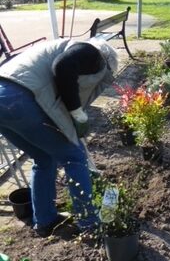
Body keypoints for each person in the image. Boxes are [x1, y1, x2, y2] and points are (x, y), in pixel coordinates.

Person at [0, 37, 119, 236]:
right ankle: (89, 223)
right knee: (75, 157)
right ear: (106, 61)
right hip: (20, 98)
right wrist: (77, 112)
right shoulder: (93, 52)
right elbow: (63, 67)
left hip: (4, 97)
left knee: (44, 158)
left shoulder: (62, 48)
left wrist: (73, 115)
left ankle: (45, 220)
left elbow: (59, 91)